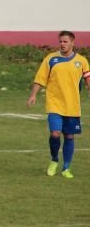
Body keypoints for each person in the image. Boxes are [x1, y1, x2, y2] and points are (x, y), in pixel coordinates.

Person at [28, 31, 90, 178]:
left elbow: (88, 77)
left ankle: (66, 168)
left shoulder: (81, 61)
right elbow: (40, 78)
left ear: (73, 43)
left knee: (69, 136)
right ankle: (54, 160)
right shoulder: (51, 59)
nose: (62, 44)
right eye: (60, 42)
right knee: (55, 133)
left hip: (72, 106)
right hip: (54, 104)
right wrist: (33, 95)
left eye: (65, 42)